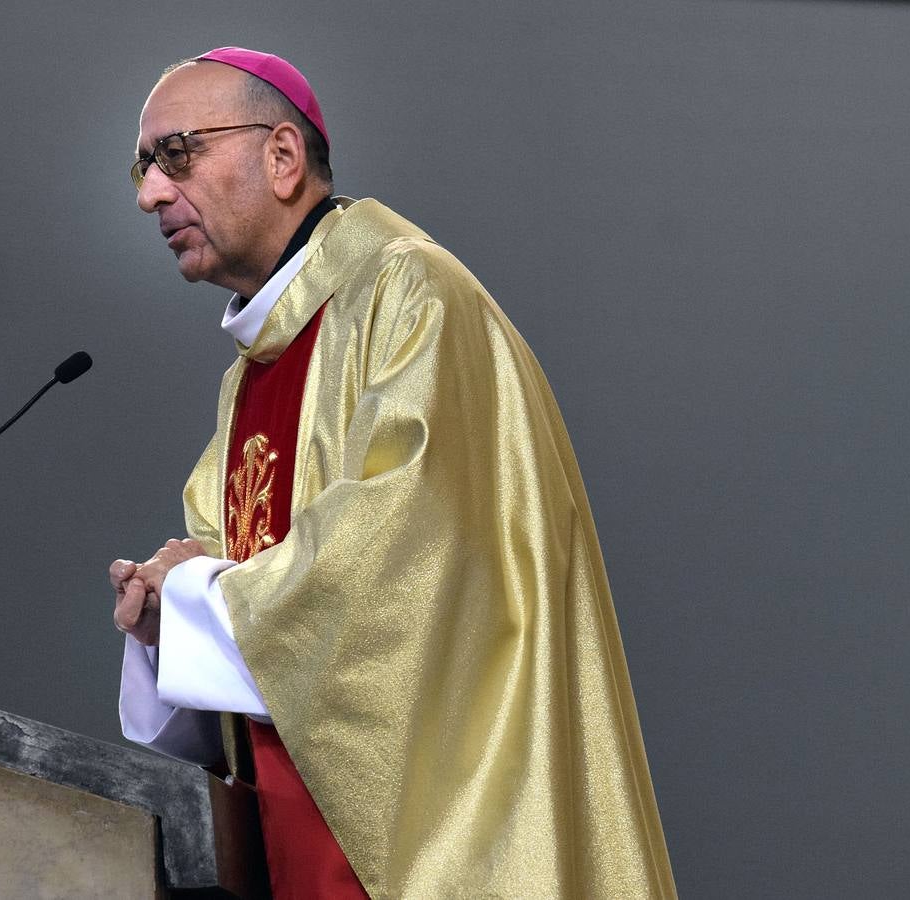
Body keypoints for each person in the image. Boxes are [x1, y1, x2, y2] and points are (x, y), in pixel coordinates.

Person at [112, 47, 676, 899]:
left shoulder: (411, 297)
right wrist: (167, 626)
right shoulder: (255, 371)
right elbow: (239, 589)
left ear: (282, 157)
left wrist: (201, 600)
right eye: (144, 166)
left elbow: (405, 565)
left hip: (434, 847)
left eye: (177, 154)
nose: (153, 192)